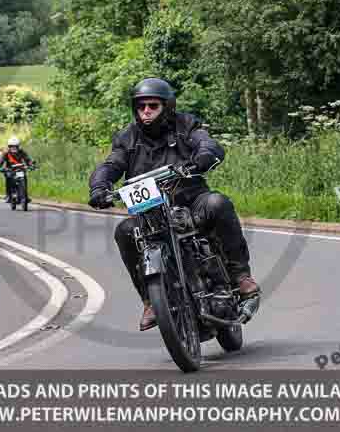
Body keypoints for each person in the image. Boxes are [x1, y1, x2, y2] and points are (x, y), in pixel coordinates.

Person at [87, 78, 260, 331]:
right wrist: (99, 186)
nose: (145, 111)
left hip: (192, 202)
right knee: (124, 231)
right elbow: (112, 163)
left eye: (152, 106)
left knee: (218, 203)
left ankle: (240, 276)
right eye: (141, 106)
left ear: (166, 107)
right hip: (150, 213)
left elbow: (207, 144)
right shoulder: (127, 137)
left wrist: (200, 159)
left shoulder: (185, 124)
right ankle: (150, 301)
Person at [0, 136, 35, 203]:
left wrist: (31, 165)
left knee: (24, 179)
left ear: (18, 146)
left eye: (15, 146)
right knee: (8, 178)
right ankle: (8, 195)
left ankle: (25, 196)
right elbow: (1, 161)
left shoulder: (22, 151)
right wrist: (1, 168)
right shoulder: (6, 152)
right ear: (9, 146)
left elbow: (28, 159)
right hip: (10, 169)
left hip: (20, 168)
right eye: (12, 146)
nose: (14, 148)